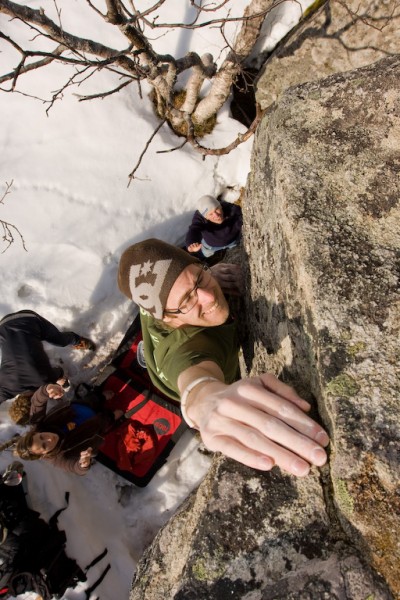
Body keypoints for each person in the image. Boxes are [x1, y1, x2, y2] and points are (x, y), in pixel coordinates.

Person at [117, 239, 330, 477]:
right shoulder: (182, 348)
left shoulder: (161, 300)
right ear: (168, 319)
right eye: (187, 300)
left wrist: (209, 276)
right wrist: (204, 400)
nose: (209, 297)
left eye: (199, 277)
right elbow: (192, 376)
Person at [10, 383, 121, 475]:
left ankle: (102, 397)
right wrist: (83, 464)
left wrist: (48, 390)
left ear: (36, 433)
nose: (49, 439)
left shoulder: (38, 424)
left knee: (93, 399)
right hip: (95, 426)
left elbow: (38, 400)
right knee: (111, 417)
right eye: (44, 446)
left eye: (42, 436)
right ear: (42, 455)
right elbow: (74, 468)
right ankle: (113, 415)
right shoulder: (59, 458)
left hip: (79, 408)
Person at [0, 310, 95, 405]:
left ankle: (78, 340)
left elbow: (60, 372)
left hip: (28, 319)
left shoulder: (43, 379)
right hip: (3, 326)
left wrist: (62, 382)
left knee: (59, 340)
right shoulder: (6, 389)